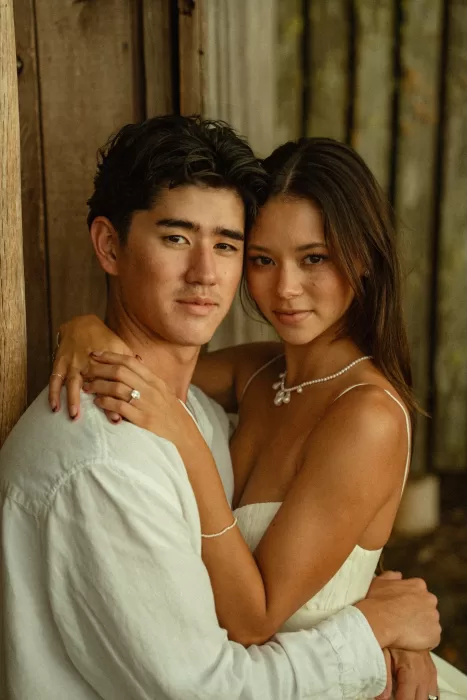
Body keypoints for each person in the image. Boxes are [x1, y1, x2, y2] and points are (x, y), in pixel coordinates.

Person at [0, 116, 441, 700]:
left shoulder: (331, 414)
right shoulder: (244, 381)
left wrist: (391, 633)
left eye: (228, 247)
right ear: (110, 246)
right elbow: (149, 369)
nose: (283, 288)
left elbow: (263, 613)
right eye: (262, 258)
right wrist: (78, 330)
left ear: (361, 257)